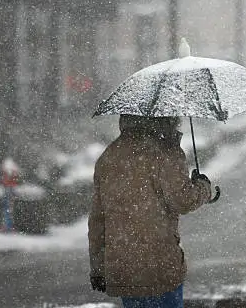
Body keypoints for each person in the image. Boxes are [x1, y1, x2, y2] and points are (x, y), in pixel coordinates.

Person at [88, 114, 212, 308]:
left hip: (125, 269)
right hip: (160, 267)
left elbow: (97, 221)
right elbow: (184, 200)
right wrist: (203, 187)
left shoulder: (109, 156)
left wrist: (98, 268)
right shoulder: (165, 152)